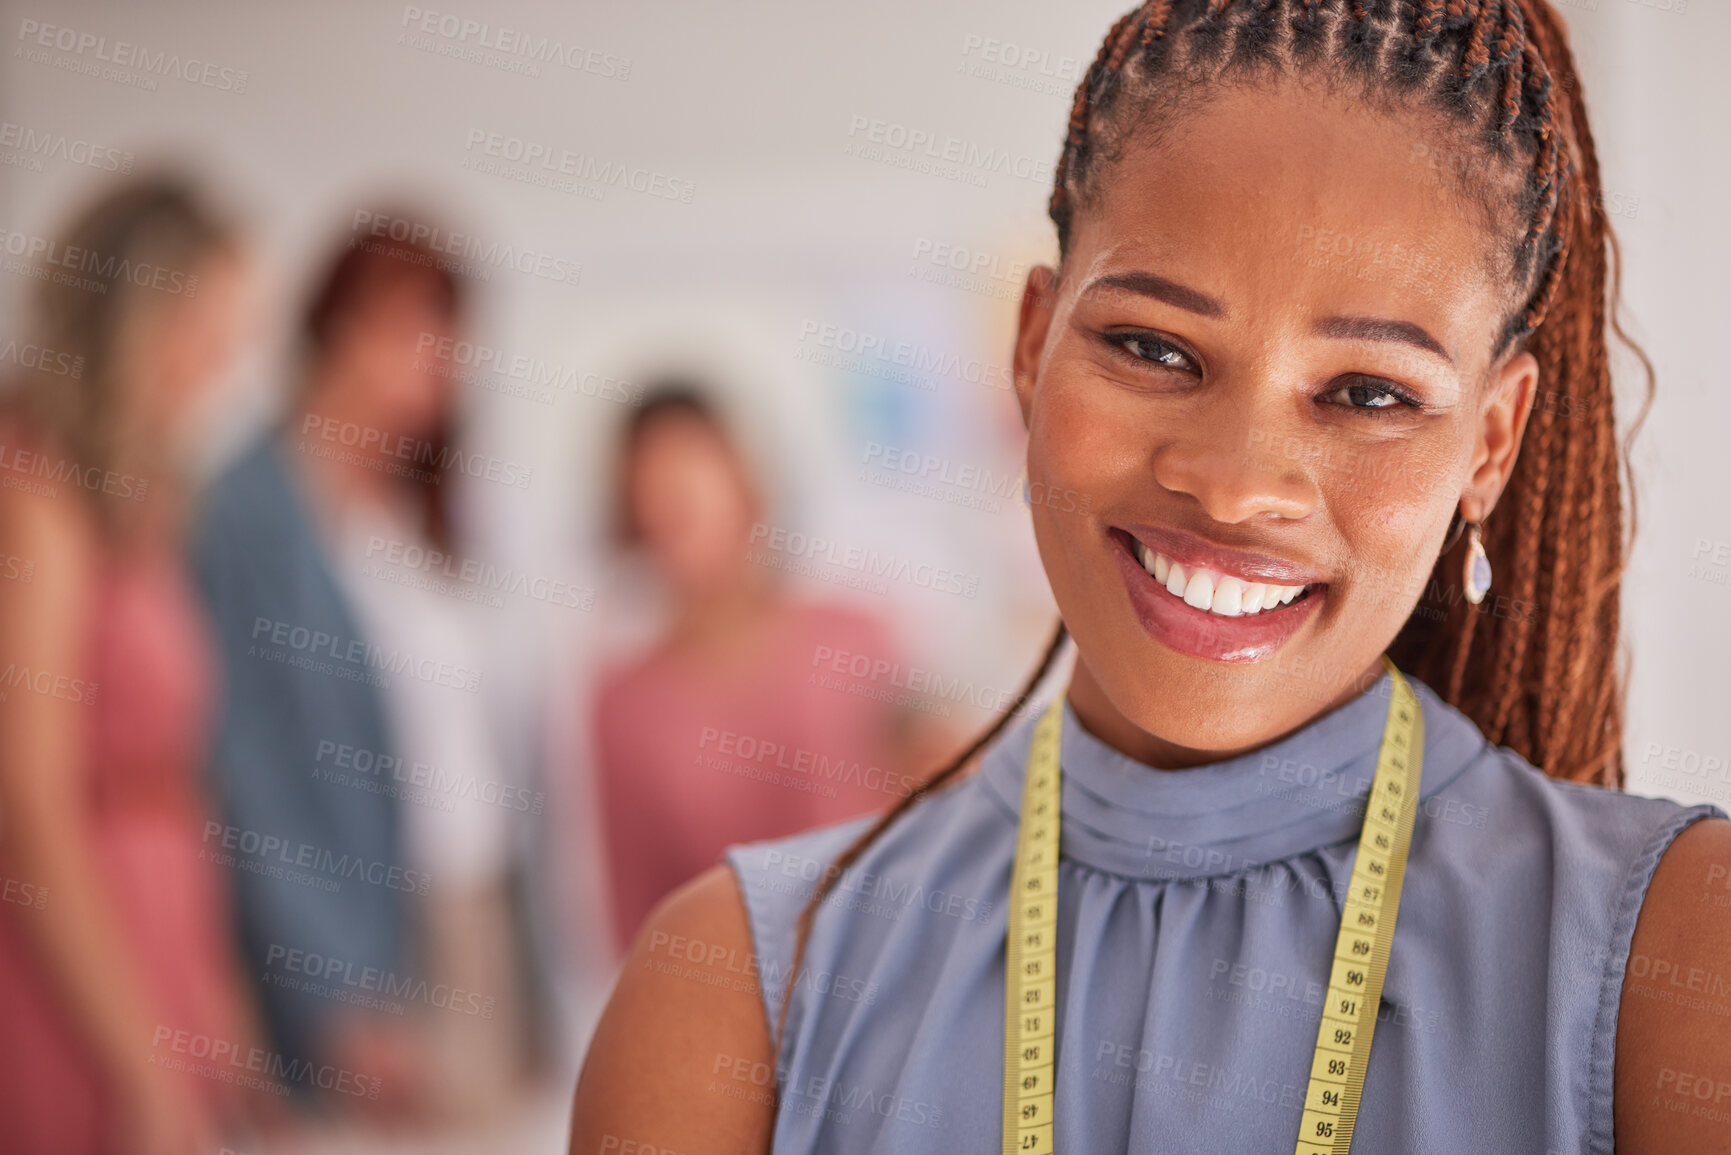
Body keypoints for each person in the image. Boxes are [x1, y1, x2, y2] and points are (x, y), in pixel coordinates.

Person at [570, 3, 1731, 1153]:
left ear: (1490, 446)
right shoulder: (733, 991)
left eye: (1369, 394)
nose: (1232, 488)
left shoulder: (1681, 961)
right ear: (1032, 346)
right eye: (1154, 349)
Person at [190, 220, 480, 1116]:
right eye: (410, 327)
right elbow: (247, 777)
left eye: (451, 336)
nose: (439, 361)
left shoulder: (413, 509)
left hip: (464, 900)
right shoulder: (247, 513)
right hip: (355, 940)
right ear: (336, 327)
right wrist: (335, 988)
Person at [0, 177, 261, 1155]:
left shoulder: (140, 504)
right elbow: (29, 802)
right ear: (138, 314)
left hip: (162, 920)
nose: (227, 357)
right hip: (70, 959)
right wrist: (143, 1065)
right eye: (212, 323)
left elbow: (181, 782)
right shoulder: (35, 496)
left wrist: (213, 1004)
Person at [591, 385, 917, 952]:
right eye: (655, 495)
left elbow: (939, 810)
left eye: (691, 486)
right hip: (740, 1005)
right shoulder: (622, 704)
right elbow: (639, 923)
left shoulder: (856, 635)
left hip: (892, 967)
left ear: (747, 485)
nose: (676, 510)